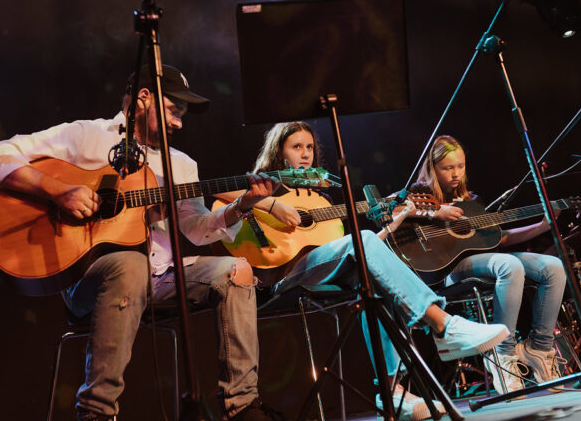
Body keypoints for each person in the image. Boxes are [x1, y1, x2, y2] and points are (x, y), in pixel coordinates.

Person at [0, 64, 283, 421]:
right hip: (89, 278)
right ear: (143, 98)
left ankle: (242, 406)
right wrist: (60, 192)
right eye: (173, 111)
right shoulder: (85, 136)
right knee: (129, 263)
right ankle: (97, 414)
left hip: (162, 279)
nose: (179, 124)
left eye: (182, 116)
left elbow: (197, 230)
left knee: (237, 271)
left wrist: (242, 206)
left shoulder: (181, 164)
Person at [216, 122, 510, 421]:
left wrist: (394, 223)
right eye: (296, 147)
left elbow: (356, 250)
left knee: (377, 277)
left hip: (324, 269)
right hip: (283, 275)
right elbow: (219, 190)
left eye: (309, 147)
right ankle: (444, 327)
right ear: (279, 151)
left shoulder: (316, 198)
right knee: (365, 245)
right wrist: (273, 205)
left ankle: (395, 394)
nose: (305, 154)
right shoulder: (266, 184)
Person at [412, 135, 567, 394]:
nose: (456, 174)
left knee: (553, 266)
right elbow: (390, 211)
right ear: (432, 168)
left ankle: (539, 348)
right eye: (448, 168)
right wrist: (437, 212)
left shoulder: (472, 201)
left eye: (460, 166)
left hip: (484, 261)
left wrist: (542, 226)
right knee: (508, 265)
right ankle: (502, 353)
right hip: (446, 271)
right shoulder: (420, 194)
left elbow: (499, 238)